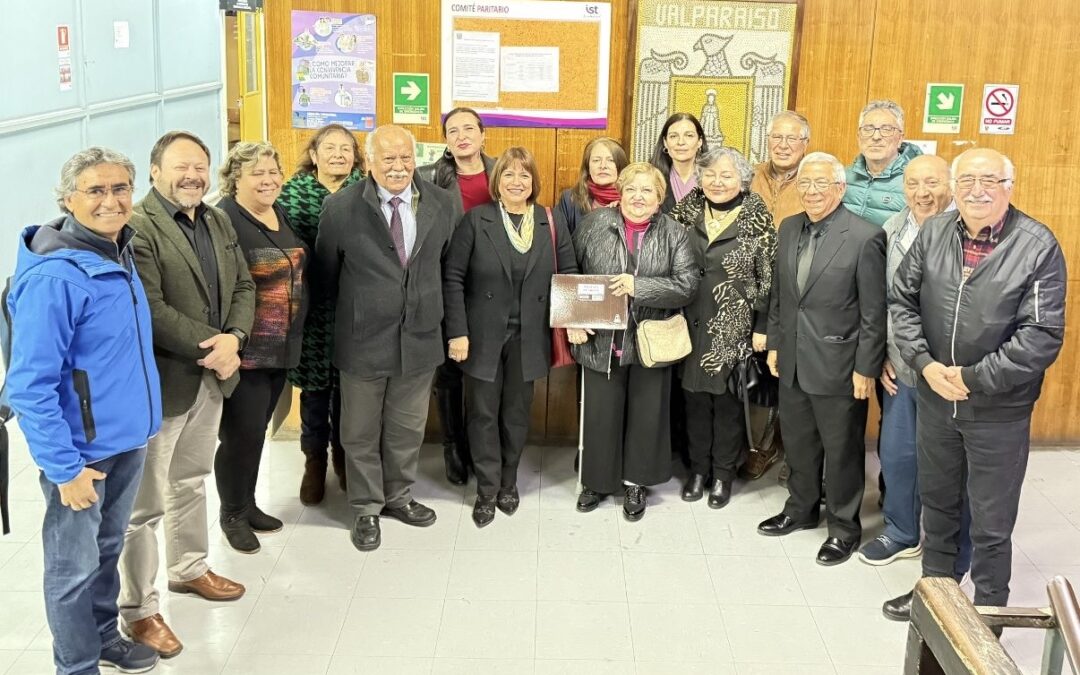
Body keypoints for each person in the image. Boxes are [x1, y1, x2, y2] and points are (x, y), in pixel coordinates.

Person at [884, 148, 1066, 621]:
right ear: (954, 186)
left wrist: (970, 378)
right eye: (966, 180)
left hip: (998, 410)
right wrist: (924, 364)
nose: (976, 190)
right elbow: (902, 302)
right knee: (938, 506)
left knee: (991, 521)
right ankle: (934, 598)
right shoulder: (935, 232)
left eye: (989, 180)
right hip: (935, 399)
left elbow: (1041, 336)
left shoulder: (1037, 245)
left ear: (1010, 186)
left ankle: (988, 614)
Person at [6, 147, 163, 675]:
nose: (110, 200)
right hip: (80, 455)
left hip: (126, 440)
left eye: (120, 188)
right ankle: (76, 666)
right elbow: (29, 386)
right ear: (68, 199)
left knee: (106, 549)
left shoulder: (118, 252)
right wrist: (65, 468)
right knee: (72, 568)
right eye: (95, 190)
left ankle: (102, 639)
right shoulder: (56, 278)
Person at [119, 131, 255, 658]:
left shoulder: (216, 219)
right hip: (165, 382)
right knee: (143, 505)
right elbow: (151, 308)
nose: (192, 175)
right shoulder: (138, 225)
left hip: (211, 378)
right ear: (155, 171)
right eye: (181, 166)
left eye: (200, 166)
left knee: (191, 480)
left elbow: (243, 285)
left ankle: (189, 567)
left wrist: (235, 338)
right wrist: (215, 348)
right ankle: (139, 609)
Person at [315, 125, 461, 551]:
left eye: (405, 158)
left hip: (420, 337)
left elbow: (448, 269)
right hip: (362, 340)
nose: (398, 167)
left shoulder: (442, 203)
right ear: (370, 162)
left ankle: (398, 496)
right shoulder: (340, 207)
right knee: (359, 431)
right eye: (388, 159)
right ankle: (365, 507)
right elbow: (325, 277)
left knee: (406, 428)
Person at [758, 152, 886, 566]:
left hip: (840, 365)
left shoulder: (865, 236)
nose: (811, 191)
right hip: (793, 359)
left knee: (842, 450)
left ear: (841, 188)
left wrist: (866, 368)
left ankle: (844, 529)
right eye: (805, 183)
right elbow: (782, 295)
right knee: (798, 443)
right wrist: (775, 344)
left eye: (821, 183)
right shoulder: (789, 227)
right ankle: (801, 509)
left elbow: (874, 313)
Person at [443, 147, 578, 527]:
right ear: (496, 181)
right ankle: (486, 489)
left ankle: (508, 482)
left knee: (516, 415)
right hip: (481, 337)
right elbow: (452, 277)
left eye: (524, 175)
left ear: (534, 182)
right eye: (508, 174)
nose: (517, 182)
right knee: (482, 414)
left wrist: (572, 321)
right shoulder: (476, 220)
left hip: (529, 336)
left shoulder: (549, 221)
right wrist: (457, 332)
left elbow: (567, 272)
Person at [568, 162, 698, 522]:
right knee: (600, 415)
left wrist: (638, 287)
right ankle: (595, 482)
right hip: (600, 340)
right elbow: (570, 271)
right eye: (631, 189)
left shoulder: (675, 233)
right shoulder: (593, 225)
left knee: (646, 415)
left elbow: (687, 285)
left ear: (659, 199)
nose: (638, 197)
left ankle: (636, 483)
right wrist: (573, 319)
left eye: (647, 191)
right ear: (620, 194)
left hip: (650, 342)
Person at [214, 142, 308, 553]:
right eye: (257, 173)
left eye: (273, 171)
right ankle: (231, 514)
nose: (268, 180)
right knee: (241, 435)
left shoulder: (277, 210)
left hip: (281, 346)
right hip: (246, 350)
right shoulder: (224, 218)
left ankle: (248, 504)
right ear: (235, 179)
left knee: (256, 434)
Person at [670, 147, 776, 508]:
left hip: (735, 327)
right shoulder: (684, 212)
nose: (717, 182)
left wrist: (762, 326)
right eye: (710, 174)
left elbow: (769, 278)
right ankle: (698, 471)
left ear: (742, 180)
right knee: (694, 401)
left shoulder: (757, 217)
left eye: (726, 175)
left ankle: (722, 475)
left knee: (729, 405)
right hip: (689, 323)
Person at [279, 124, 363, 505]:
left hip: (354, 308)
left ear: (356, 156)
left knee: (349, 392)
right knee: (314, 393)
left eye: (346, 148)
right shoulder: (291, 194)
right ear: (314, 155)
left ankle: (344, 458)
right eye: (330, 148)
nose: (338, 155)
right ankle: (314, 462)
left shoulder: (367, 190)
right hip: (309, 309)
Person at [418, 106, 495, 486]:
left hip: (491, 287)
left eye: (469, 129)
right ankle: (453, 445)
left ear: (483, 134)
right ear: (446, 140)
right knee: (448, 370)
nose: (462, 136)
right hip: (446, 281)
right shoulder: (428, 177)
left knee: (483, 369)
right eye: (453, 131)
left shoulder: (502, 171)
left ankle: (482, 446)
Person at [744, 110, 811, 482]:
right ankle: (760, 445)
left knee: (791, 371)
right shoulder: (749, 176)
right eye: (777, 137)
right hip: (749, 287)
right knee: (757, 369)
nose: (783, 145)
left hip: (796, 287)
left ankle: (793, 452)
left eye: (792, 138)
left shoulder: (814, 179)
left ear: (805, 144)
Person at [843, 100, 922, 227]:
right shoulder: (842, 177)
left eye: (886, 129)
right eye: (868, 129)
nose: (876, 137)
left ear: (900, 138)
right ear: (858, 137)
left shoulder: (917, 181)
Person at [555, 136, 628, 234]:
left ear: (621, 167)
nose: (603, 166)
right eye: (596, 160)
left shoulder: (632, 200)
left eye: (611, 160)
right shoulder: (570, 199)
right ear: (588, 168)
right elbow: (561, 240)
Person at [649, 112, 709, 214]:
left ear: (700, 141)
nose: (681, 142)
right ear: (665, 142)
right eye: (673, 136)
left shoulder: (713, 178)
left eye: (689, 135)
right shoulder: (651, 177)